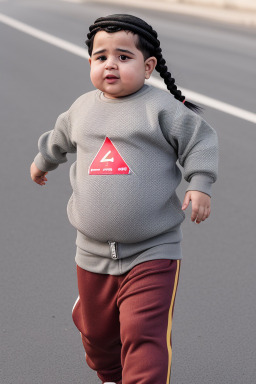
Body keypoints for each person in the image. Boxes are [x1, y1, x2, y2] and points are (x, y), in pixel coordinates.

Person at [30, 14, 218, 384]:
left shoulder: (161, 109)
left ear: (148, 67)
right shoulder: (82, 108)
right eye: (101, 57)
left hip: (154, 248)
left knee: (143, 334)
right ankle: (109, 365)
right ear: (90, 64)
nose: (110, 64)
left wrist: (199, 183)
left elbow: (200, 141)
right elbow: (59, 139)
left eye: (123, 56)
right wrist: (41, 162)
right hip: (92, 250)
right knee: (99, 338)